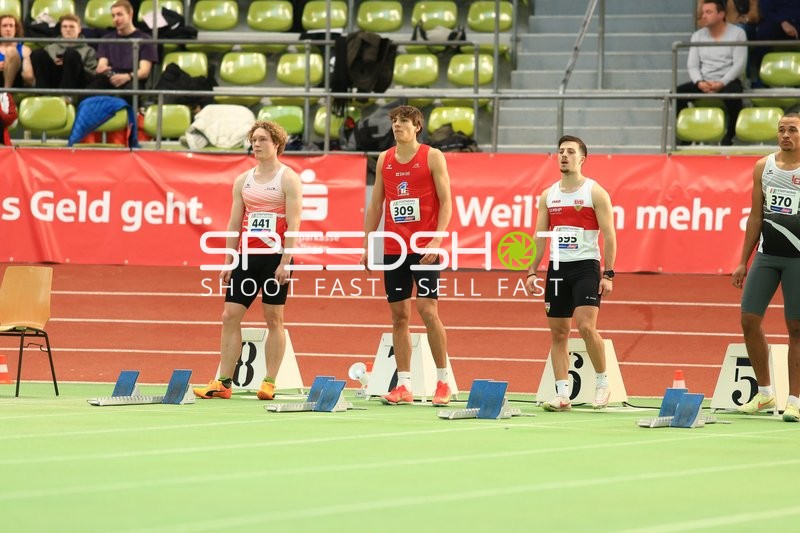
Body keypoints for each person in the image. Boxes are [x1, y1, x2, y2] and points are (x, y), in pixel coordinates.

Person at [193, 120, 303, 400]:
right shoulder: (244, 180)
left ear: (276, 143)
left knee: (273, 318)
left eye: (262, 139)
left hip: (275, 258)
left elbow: (294, 223)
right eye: (254, 139)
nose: (256, 144)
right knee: (229, 316)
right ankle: (224, 383)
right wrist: (230, 260)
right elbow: (234, 222)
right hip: (246, 259)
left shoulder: (288, 178)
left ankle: (269, 382)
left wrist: (285, 262)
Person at [359, 104, 453, 406]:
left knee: (428, 311)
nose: (397, 125)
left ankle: (443, 381)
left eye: (404, 122)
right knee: (399, 316)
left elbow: (446, 201)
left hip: (424, 249)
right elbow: (376, 205)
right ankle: (404, 384)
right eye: (395, 121)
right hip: (394, 250)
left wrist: (437, 239)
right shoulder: (385, 159)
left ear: (417, 127)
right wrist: (367, 243)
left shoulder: (432, 157)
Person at [525, 135, 617, 411]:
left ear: (582, 159)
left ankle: (602, 385)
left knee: (587, 327)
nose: (564, 156)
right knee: (559, 333)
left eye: (570, 152)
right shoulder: (548, 195)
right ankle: (562, 394)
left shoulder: (595, 192)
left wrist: (608, 273)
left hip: (586, 266)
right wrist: (531, 271)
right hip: (557, 269)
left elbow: (609, 235)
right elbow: (540, 236)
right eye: (561, 152)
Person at [732, 112, 800, 422]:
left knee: (796, 329)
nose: (786, 135)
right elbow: (755, 217)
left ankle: (795, 400)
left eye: (793, 130)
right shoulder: (764, 167)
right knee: (748, 319)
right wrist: (742, 261)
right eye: (782, 130)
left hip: (797, 260)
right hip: (767, 255)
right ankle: (764, 391)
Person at [677, 0, 746, 146]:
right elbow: (693, 65)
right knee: (677, 93)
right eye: (703, 13)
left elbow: (739, 65)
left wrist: (721, 83)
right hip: (705, 81)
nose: (703, 16)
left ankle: (730, 136)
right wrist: (699, 82)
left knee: (734, 94)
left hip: (728, 80)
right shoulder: (697, 36)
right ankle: (685, 138)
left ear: (721, 14)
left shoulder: (738, 33)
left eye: (708, 12)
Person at [85, 0, 158, 99]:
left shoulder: (145, 40)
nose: (115, 19)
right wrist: (101, 68)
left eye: (119, 14)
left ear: (130, 14)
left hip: (132, 80)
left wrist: (127, 77)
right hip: (111, 78)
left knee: (128, 93)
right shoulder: (106, 39)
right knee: (87, 94)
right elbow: (102, 63)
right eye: (113, 15)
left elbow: (144, 72)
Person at [29, 14, 98, 93]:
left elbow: (91, 75)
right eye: (64, 27)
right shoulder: (50, 48)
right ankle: (42, 94)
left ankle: (66, 96)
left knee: (71, 54)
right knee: (38, 54)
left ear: (79, 29)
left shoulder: (89, 50)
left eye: (71, 27)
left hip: (76, 83)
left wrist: (72, 64)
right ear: (61, 29)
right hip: (53, 80)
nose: (68, 30)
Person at [750, 0, 800, 87]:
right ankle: (762, 77)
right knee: (763, 32)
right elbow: (766, 10)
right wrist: (782, 22)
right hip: (777, 24)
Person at [0, 14, 33, 89]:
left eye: (11, 26)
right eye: (4, 26)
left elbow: (29, 79)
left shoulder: (25, 49)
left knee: (11, 51)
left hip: (16, 81)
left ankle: (6, 92)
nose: (8, 29)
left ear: (16, 29)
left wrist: (11, 66)